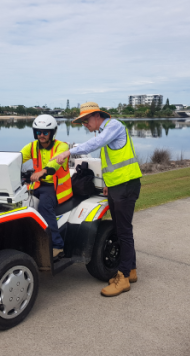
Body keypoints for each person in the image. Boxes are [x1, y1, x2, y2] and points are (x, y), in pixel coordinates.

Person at [52, 102, 142, 297]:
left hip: (126, 186)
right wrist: (108, 183)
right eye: (82, 122)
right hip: (118, 186)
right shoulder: (105, 131)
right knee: (121, 230)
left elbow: (95, 144)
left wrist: (68, 151)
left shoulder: (113, 126)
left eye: (86, 120)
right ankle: (131, 270)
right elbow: (112, 162)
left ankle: (124, 277)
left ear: (96, 116)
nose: (85, 124)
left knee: (124, 232)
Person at [21, 114, 73, 259]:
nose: (41, 135)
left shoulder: (61, 146)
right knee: (17, 203)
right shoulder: (32, 146)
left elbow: (55, 163)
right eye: (38, 132)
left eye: (45, 132)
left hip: (55, 187)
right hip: (37, 184)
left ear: (52, 132)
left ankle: (57, 246)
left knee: (44, 207)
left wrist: (43, 172)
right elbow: (17, 158)